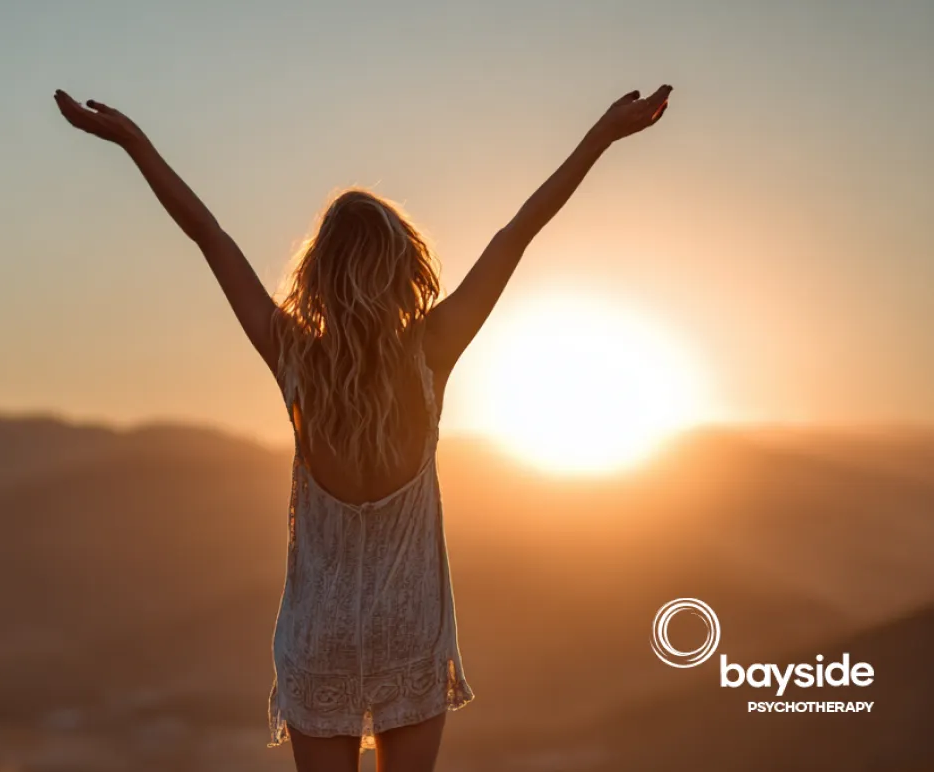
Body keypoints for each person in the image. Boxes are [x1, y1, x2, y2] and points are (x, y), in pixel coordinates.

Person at [54, 82, 672, 772]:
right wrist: (601, 136)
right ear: (404, 268)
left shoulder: (295, 360)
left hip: (317, 643)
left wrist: (133, 142)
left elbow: (209, 234)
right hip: (410, 633)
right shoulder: (432, 353)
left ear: (319, 276)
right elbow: (517, 233)